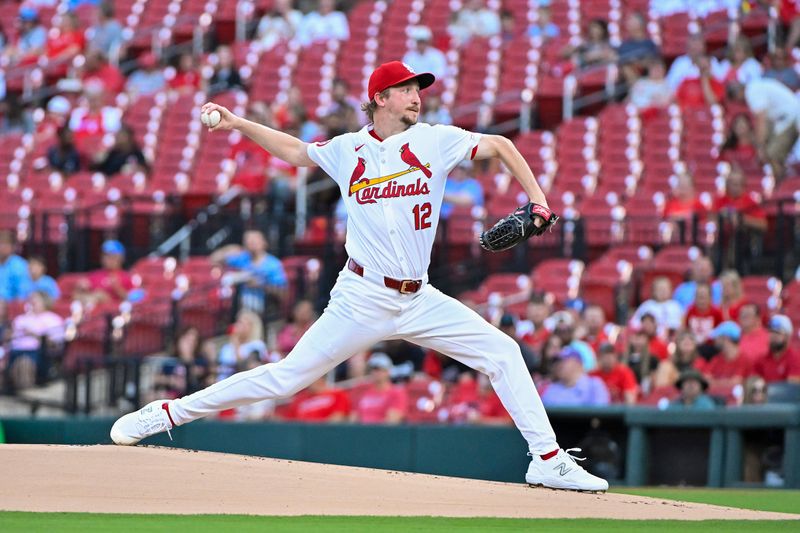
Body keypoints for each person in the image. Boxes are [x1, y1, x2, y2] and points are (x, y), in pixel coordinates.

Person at [110, 60, 608, 491]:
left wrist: (540, 201)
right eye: (409, 89)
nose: (418, 96)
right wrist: (238, 122)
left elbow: (500, 144)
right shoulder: (349, 149)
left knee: (502, 353)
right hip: (361, 296)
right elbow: (295, 152)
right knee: (286, 379)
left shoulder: (436, 140)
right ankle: (169, 413)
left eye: (419, 89)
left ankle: (548, 461)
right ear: (381, 98)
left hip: (419, 297)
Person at [737, 77, 800, 180]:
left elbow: (761, 121)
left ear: (739, 92)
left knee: (771, 154)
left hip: (790, 118)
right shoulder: (757, 86)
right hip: (785, 118)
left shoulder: (751, 92)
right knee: (772, 154)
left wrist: (760, 147)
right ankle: (783, 180)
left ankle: (783, 183)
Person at [210, 229, 288, 309]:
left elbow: (283, 293)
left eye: (254, 241)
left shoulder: (273, 264)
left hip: (266, 311)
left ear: (264, 243)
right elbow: (214, 258)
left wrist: (260, 285)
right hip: (241, 308)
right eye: (248, 241)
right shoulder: (242, 258)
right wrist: (232, 247)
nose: (251, 243)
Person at [7, 291, 65, 389]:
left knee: (24, 363)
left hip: (39, 353)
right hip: (15, 351)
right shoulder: (21, 319)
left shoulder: (53, 319)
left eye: (35, 299)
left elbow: (56, 343)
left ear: (45, 301)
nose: (32, 302)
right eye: (30, 299)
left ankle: (26, 395)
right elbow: (10, 338)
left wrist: (35, 335)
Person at [540, 347, 610, 407]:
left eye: (564, 361)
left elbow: (600, 415)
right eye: (558, 362)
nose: (559, 365)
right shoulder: (552, 389)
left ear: (577, 363)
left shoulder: (594, 385)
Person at [351, 352, 408, 424]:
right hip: (362, 432)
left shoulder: (396, 393)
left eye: (379, 369)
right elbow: (354, 418)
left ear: (388, 371)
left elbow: (392, 420)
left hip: (382, 433)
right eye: (373, 369)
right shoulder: (363, 391)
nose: (375, 372)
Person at [74, 240, 135, 305]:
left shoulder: (127, 277)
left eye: (113, 256)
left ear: (121, 258)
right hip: (91, 306)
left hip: (113, 311)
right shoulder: (94, 275)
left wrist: (118, 288)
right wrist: (80, 289)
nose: (109, 259)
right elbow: (75, 296)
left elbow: (133, 300)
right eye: (106, 255)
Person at [216, 309, 268, 381]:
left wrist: (236, 344)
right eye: (238, 322)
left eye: (242, 323)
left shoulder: (257, 345)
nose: (238, 326)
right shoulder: (227, 347)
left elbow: (245, 367)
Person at [283, 374, 350, 422]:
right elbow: (290, 422)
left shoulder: (337, 394)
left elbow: (337, 419)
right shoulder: (299, 398)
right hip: (302, 436)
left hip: (326, 434)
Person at [754, 314, 800, 384]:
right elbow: (754, 384)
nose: (772, 336)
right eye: (770, 332)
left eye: (777, 333)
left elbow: (792, 389)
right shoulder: (761, 359)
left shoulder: (795, 359)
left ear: (788, 336)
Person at [706, 321, 752, 389]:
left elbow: (736, 383)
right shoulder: (716, 359)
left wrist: (715, 382)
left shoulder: (744, 359)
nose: (714, 341)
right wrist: (727, 382)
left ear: (726, 338)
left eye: (717, 337)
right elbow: (706, 380)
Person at [683, 282, 723, 346]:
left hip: (711, 346)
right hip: (693, 345)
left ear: (710, 298)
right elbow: (686, 329)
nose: (702, 301)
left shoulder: (717, 312)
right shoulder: (690, 311)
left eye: (704, 297)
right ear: (695, 298)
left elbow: (720, 332)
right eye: (700, 297)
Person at [0, 230, 33, 302]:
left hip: (11, 305)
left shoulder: (19, 265)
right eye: (0, 243)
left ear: (13, 247)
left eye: (5, 244)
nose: (2, 247)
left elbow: (23, 293)